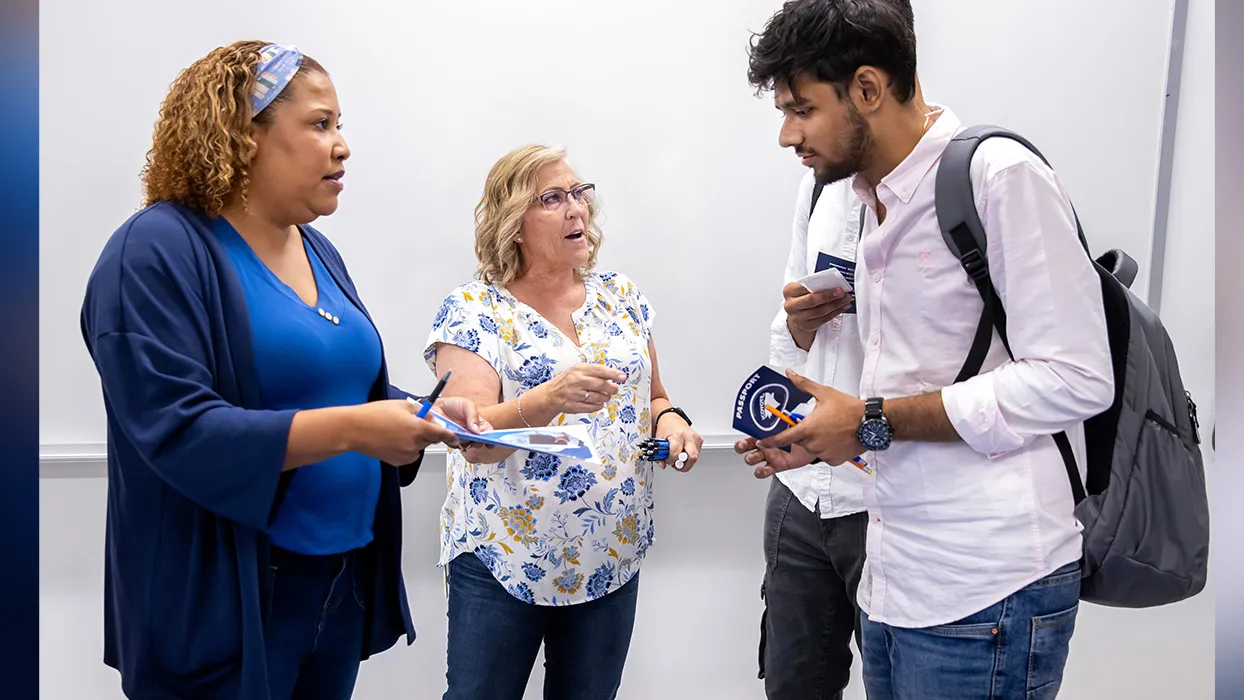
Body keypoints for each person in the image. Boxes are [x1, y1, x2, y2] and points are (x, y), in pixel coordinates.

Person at [79, 40, 491, 700]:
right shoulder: (154, 251)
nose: (343, 145)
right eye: (321, 123)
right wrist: (358, 429)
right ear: (245, 136)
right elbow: (180, 431)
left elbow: (336, 385)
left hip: (338, 585)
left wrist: (425, 415)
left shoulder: (317, 248)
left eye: (340, 125)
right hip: (230, 599)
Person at [742, 2, 1115, 699]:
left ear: (867, 89)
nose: (787, 135)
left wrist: (870, 419)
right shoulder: (848, 191)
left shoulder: (998, 177)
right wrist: (822, 432)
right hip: (895, 575)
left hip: (987, 587)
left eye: (802, 109)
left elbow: (1078, 377)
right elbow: (880, 376)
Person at [425, 144, 704, 700]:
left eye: (579, 193)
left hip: (610, 552)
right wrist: (549, 396)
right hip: (504, 559)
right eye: (552, 198)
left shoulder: (621, 297)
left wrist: (674, 424)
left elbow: (656, 398)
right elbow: (472, 441)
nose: (576, 209)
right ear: (514, 224)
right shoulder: (475, 311)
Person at [733, 163, 868, 697]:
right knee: (793, 686)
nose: (789, 137)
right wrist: (798, 325)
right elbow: (786, 334)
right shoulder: (819, 186)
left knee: (902, 680)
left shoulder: (949, 189)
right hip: (798, 498)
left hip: (886, 501)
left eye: (802, 110)